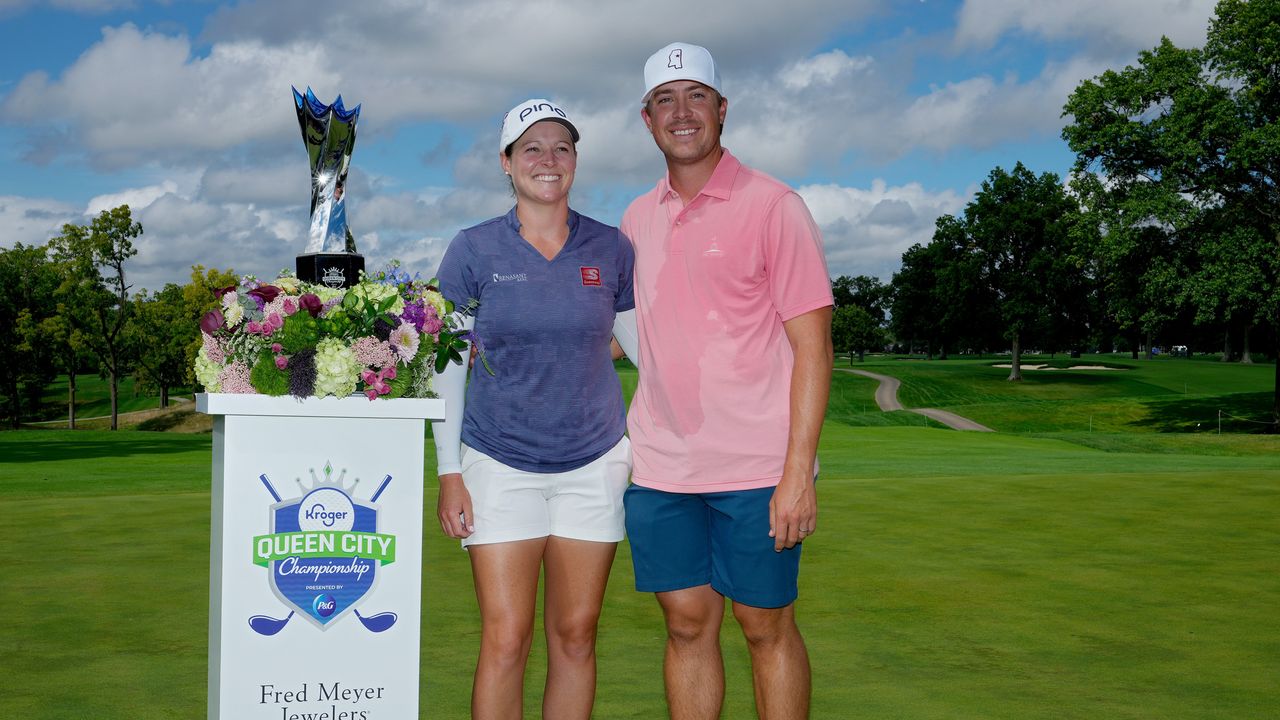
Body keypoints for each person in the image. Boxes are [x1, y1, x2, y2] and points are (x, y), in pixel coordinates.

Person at [621, 42, 834, 719]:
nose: (682, 113)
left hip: (757, 466)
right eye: (665, 100)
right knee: (685, 625)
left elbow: (814, 348)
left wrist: (797, 472)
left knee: (764, 625)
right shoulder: (634, 219)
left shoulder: (775, 206)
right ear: (647, 119)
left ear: (721, 109)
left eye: (696, 97)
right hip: (662, 466)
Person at [431, 98, 640, 720]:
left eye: (561, 148)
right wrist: (449, 472)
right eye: (532, 148)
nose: (547, 160)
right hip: (498, 463)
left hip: (595, 463)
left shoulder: (612, 248)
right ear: (506, 162)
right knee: (505, 638)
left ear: (575, 159)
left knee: (576, 636)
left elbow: (646, 353)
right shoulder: (472, 251)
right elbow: (445, 369)